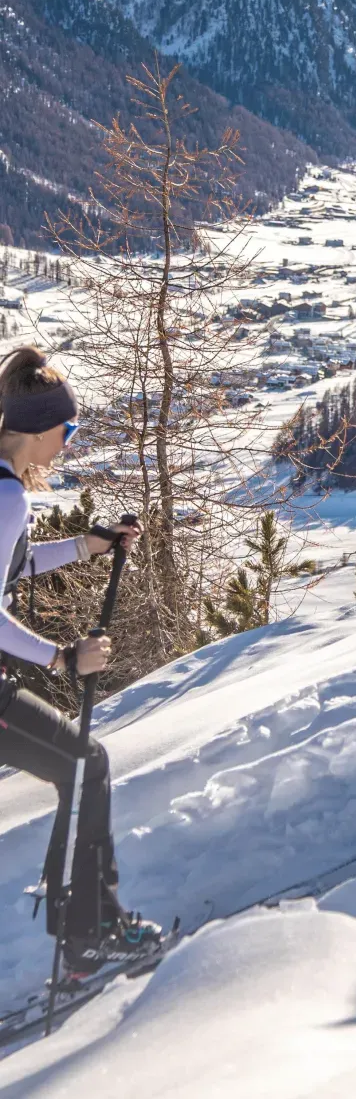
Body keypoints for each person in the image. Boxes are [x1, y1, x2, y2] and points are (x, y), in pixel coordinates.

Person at [0, 347, 162, 976]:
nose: (68, 442)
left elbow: (14, 566)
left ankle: (85, 924)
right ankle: (87, 929)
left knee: (82, 767)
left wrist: (87, 547)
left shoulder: (4, 488)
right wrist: (63, 658)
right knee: (85, 764)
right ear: (39, 428)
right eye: (67, 431)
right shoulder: (8, 498)